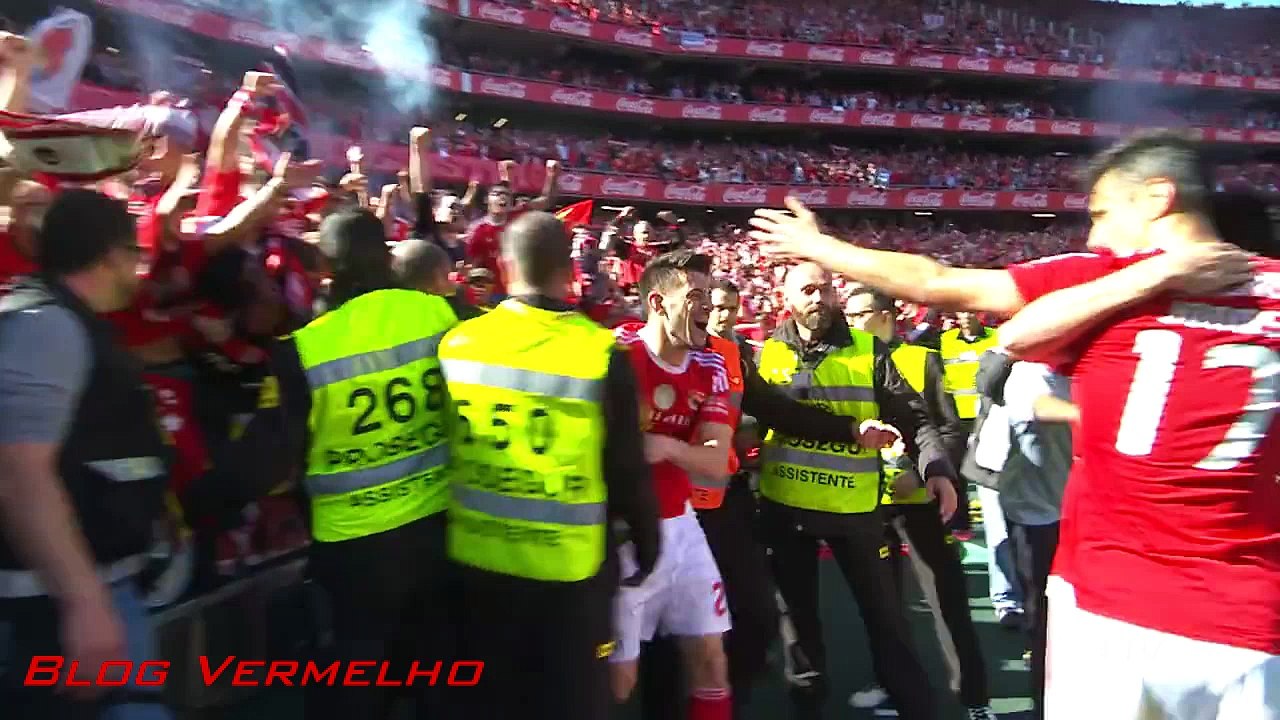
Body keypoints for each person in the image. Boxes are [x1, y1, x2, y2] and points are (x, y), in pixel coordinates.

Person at [749, 130, 1279, 719]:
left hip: (1111, 602)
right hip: (1246, 617)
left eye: (1103, 214)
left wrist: (820, 247)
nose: (1095, 233)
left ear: (1158, 197)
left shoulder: (1098, 282)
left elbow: (944, 286)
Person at [231, 209, 458, 720]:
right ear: (386, 257)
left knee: (355, 685)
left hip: (355, 553)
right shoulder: (438, 314)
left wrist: (193, 502)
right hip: (439, 534)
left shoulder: (304, 350)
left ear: (326, 270)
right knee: (439, 680)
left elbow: (264, 459)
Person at [638, 278, 899, 720]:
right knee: (660, 639)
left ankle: (727, 700)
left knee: (754, 618)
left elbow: (778, 410)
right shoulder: (628, 353)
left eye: (726, 306)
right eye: (706, 304)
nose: (717, 314)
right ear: (661, 305)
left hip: (724, 508)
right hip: (659, 510)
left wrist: (851, 432)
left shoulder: (734, 355)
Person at [439, 211, 659, 720]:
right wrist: (648, 541)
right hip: (570, 575)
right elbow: (627, 466)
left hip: (478, 561)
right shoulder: (601, 352)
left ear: (504, 265)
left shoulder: (457, 343)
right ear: (569, 272)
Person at [757, 261, 957, 720]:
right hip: (785, 512)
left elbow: (915, 417)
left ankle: (915, 707)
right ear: (786, 297)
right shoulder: (767, 354)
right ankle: (807, 708)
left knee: (886, 621)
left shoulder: (869, 351)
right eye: (807, 289)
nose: (818, 298)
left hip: (855, 511)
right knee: (798, 631)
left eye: (825, 289)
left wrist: (936, 468)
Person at [0, 190, 173, 720]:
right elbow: (18, 475)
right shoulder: (47, 327)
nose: (137, 269)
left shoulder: (60, 321)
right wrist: (82, 600)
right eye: (134, 254)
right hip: (58, 598)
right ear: (108, 255)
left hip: (87, 583)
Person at [843, 285, 995, 720]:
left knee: (946, 596)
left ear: (888, 316)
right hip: (866, 500)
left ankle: (974, 697)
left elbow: (947, 427)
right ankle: (892, 683)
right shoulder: (846, 361)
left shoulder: (921, 359)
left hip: (919, 499)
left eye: (861, 314)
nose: (852, 323)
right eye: (848, 316)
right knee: (881, 600)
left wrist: (925, 470)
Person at [611, 249, 735, 720]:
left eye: (711, 294)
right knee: (618, 682)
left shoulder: (712, 367)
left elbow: (715, 465)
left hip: (682, 530)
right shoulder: (615, 355)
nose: (709, 305)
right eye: (697, 296)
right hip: (622, 534)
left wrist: (663, 447)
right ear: (659, 303)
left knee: (711, 660)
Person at [990, 358, 1075, 720]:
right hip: (1036, 514)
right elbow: (1035, 404)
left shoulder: (1094, 361)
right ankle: (1045, 704)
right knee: (1043, 613)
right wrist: (1101, 409)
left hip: (1082, 510)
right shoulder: (1025, 369)